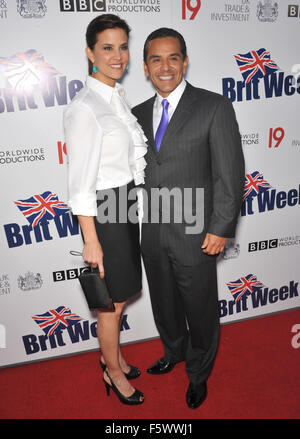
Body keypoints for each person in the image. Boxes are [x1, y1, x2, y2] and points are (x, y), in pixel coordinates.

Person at [132, 28, 245, 409]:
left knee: (199, 308)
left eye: (173, 57)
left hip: (197, 233)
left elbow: (229, 175)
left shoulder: (214, 107)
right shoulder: (134, 116)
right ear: (146, 67)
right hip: (152, 233)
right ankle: (173, 352)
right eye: (156, 59)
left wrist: (220, 227)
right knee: (164, 303)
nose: (165, 66)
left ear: (185, 61)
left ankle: (198, 372)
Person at [64, 14, 147, 405]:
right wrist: (91, 240)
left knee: (122, 294)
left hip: (124, 203)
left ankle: (112, 356)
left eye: (123, 46)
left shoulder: (113, 96)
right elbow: (81, 183)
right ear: (90, 53)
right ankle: (112, 372)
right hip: (104, 212)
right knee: (111, 303)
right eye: (107, 48)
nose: (118, 56)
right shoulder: (84, 107)